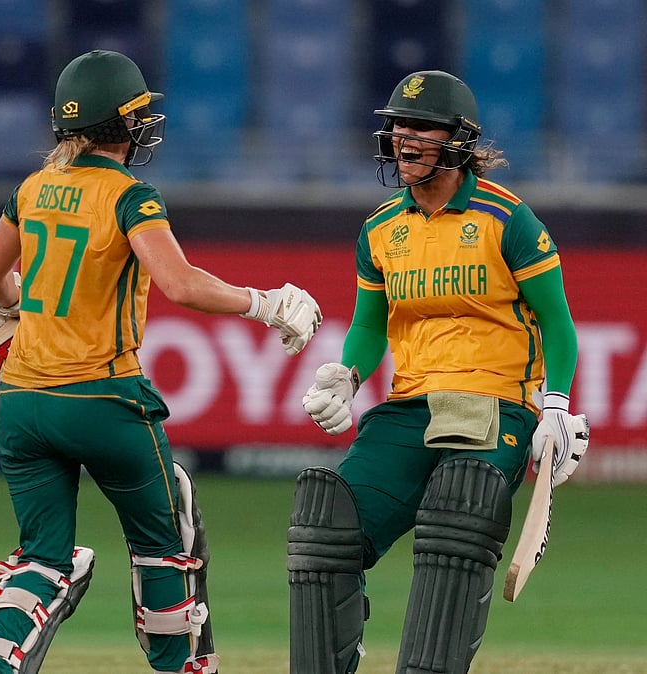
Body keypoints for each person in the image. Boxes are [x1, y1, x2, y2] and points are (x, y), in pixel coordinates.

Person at [0, 50, 322, 674]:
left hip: (22, 405)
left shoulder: (32, 188)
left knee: (42, 559)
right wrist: (263, 303)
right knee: (164, 545)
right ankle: (179, 667)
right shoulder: (130, 194)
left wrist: (16, 308)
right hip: (105, 399)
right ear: (127, 122)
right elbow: (180, 284)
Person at [289, 70, 590, 674]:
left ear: (457, 139)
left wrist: (554, 405)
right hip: (412, 403)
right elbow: (371, 326)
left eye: (422, 127)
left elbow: (558, 324)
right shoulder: (380, 228)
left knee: (460, 510)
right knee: (326, 530)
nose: (405, 137)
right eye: (398, 125)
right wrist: (348, 374)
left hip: (496, 404)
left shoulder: (508, 219)